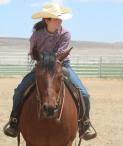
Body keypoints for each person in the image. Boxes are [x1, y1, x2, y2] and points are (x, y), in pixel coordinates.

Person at [3, 2, 96, 140]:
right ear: (47, 20)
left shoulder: (65, 34)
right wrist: (40, 60)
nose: (60, 20)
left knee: (84, 94)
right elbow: (32, 52)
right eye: (56, 18)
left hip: (62, 66)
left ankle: (84, 124)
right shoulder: (36, 35)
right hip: (41, 67)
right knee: (19, 91)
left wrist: (48, 58)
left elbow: (59, 55)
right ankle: (14, 121)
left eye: (60, 17)